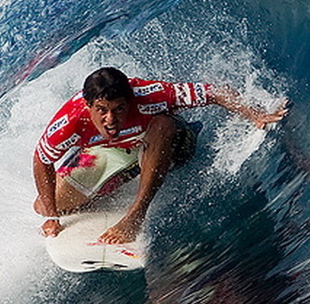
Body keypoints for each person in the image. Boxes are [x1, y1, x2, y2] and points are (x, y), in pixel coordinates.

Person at [33, 67, 289, 243]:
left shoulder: (148, 95)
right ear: (88, 106)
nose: (110, 118)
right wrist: (52, 217)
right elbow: (41, 159)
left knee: (163, 125)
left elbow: (214, 91)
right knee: (44, 205)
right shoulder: (69, 122)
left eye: (119, 109)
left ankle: (136, 214)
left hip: (171, 144)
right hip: (116, 151)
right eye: (101, 110)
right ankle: (114, 173)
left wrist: (255, 113)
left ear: (129, 102)